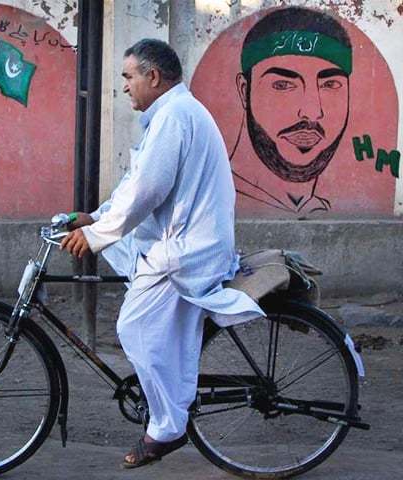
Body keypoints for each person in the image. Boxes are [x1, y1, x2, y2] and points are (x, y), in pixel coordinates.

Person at [60, 39, 264, 468]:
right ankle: (172, 390)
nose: (125, 87)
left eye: (129, 77)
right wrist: (93, 217)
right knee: (136, 278)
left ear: (153, 77)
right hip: (180, 240)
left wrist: (97, 235)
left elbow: (147, 192)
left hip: (189, 250)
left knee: (134, 327)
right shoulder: (170, 115)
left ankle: (168, 427)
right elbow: (136, 185)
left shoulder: (174, 116)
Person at [231, 7, 352, 214]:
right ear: (245, 91)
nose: (312, 112)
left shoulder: (316, 209)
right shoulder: (219, 197)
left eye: (330, 84)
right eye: (283, 85)